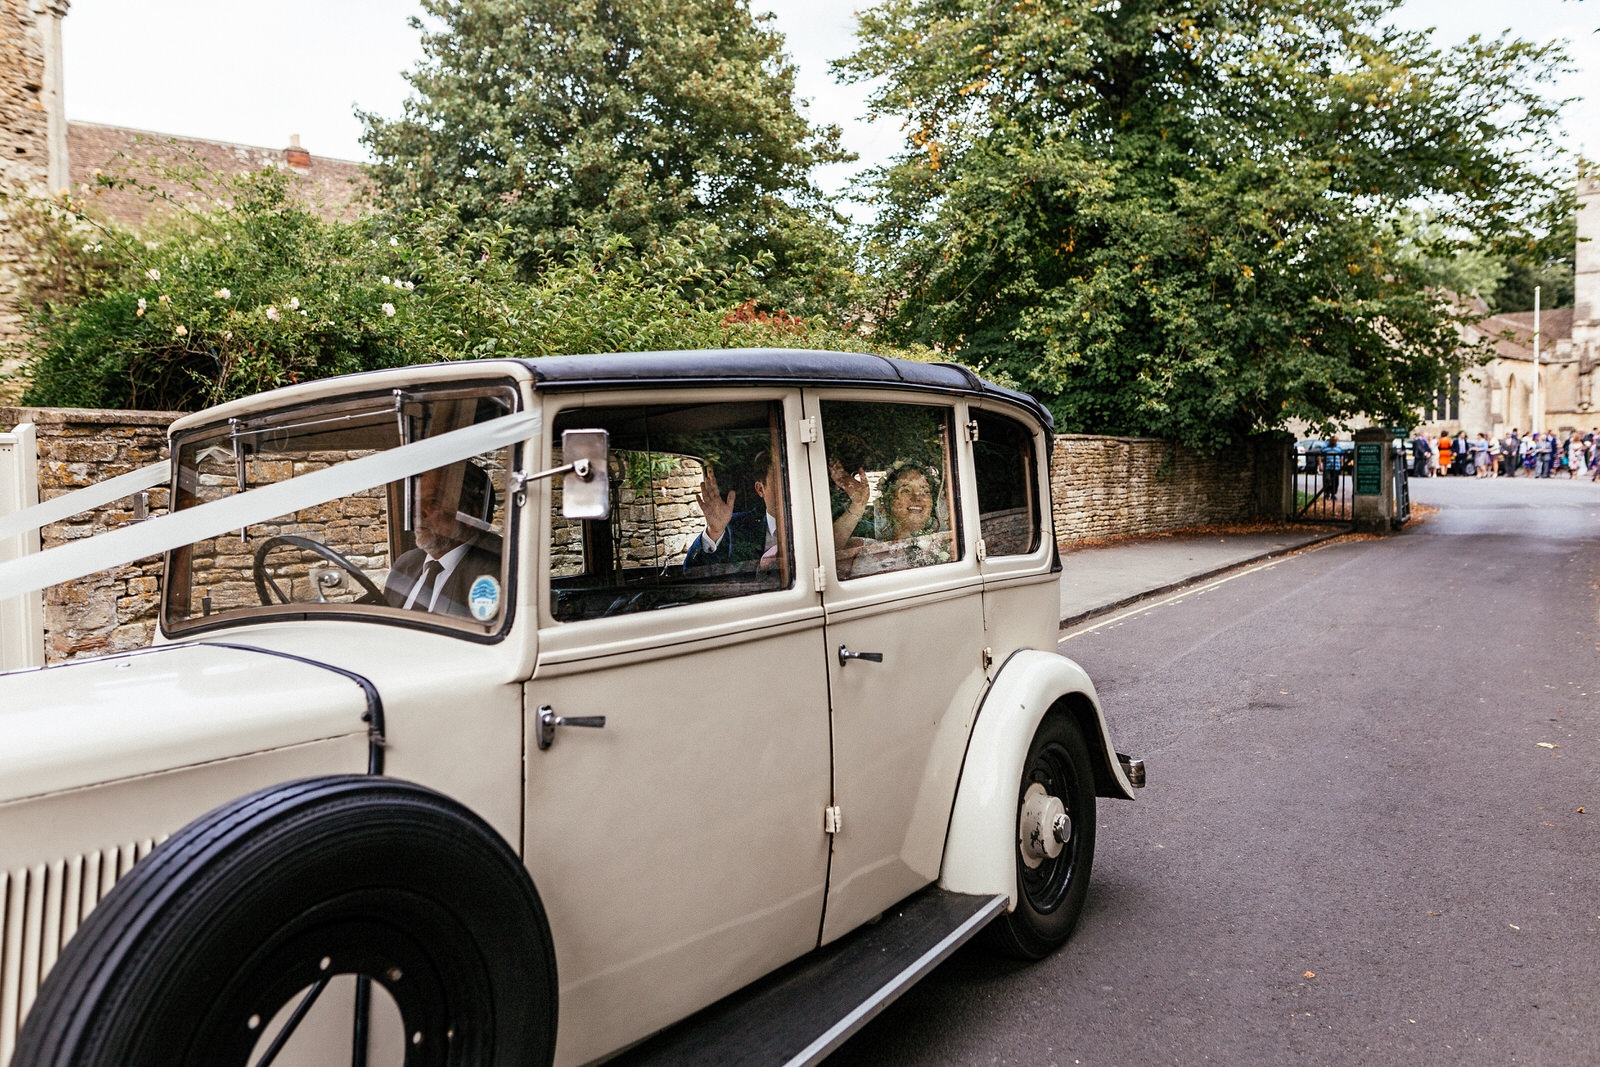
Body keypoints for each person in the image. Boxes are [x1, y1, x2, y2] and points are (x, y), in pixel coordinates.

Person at [384, 462, 502, 618]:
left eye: (433, 502)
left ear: (471, 515)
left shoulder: (501, 569)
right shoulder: (405, 564)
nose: (417, 512)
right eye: (416, 501)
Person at [830, 458, 952, 578]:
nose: (917, 498)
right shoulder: (861, 549)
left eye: (925, 491)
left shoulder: (948, 545)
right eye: (906, 490)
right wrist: (858, 505)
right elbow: (826, 556)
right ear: (888, 503)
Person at [683, 449, 783, 571]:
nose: (789, 490)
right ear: (760, 489)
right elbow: (691, 571)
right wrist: (713, 532)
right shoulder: (736, 527)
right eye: (780, 483)